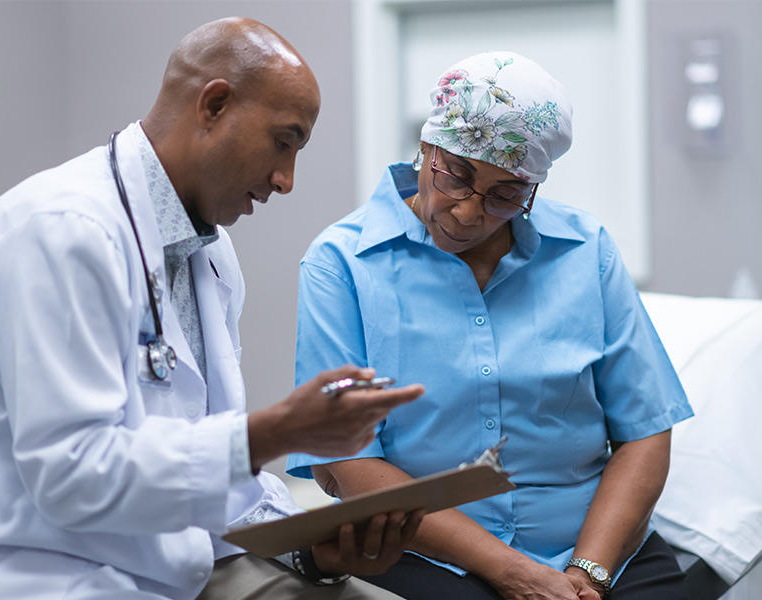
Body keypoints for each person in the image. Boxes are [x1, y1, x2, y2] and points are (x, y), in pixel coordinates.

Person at [0, 17, 426, 600]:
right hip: (53, 572)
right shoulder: (59, 232)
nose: (285, 181)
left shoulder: (209, 254)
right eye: (284, 142)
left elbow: (204, 463)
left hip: (187, 563)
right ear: (214, 105)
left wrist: (307, 548)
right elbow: (72, 476)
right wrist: (279, 430)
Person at [287, 51, 694, 600]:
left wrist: (586, 574)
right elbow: (348, 465)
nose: (467, 212)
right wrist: (516, 574)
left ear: (532, 190)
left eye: (505, 195)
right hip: (430, 552)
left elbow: (645, 430)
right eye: (455, 176)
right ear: (427, 146)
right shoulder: (342, 265)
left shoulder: (585, 252)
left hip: (596, 549)